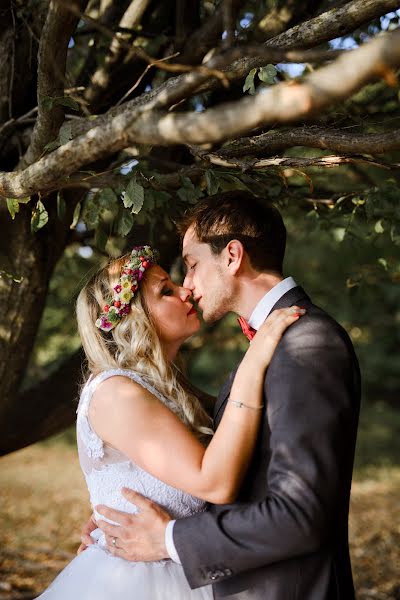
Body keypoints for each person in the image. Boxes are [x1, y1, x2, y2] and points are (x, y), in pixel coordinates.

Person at [84, 191, 361, 600]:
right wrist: (111, 514)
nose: (189, 285)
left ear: (232, 256)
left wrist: (168, 540)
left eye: (192, 265)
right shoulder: (274, 345)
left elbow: (302, 513)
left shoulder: (307, 343)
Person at [35, 243, 304, 600]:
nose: (185, 290)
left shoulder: (172, 389)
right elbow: (214, 482)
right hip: (137, 581)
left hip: (189, 566)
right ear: (134, 318)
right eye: (166, 291)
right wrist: (253, 364)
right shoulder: (116, 393)